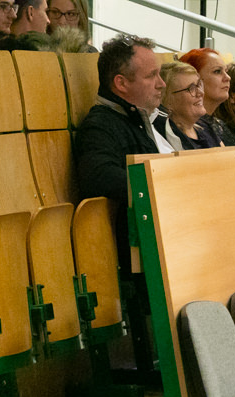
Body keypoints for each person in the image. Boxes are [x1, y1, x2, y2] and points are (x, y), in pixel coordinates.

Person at [74, 33, 173, 271]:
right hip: (135, 258)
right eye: (151, 76)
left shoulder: (140, 119)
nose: (162, 83)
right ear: (121, 83)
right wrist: (163, 187)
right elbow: (98, 175)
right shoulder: (100, 125)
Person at [153, 61, 221, 151]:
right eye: (191, 88)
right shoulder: (163, 136)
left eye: (199, 85)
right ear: (167, 99)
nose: (200, 93)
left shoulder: (205, 127)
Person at [178, 47, 235, 146]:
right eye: (217, 71)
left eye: (226, 71)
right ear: (193, 79)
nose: (228, 77)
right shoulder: (186, 127)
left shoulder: (218, 124)